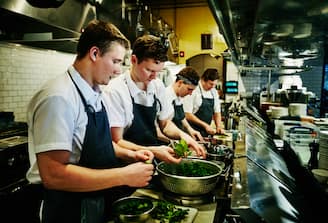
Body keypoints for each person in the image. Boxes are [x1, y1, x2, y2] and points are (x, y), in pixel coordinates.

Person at [26, 20, 154, 223]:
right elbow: (54, 175)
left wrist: (129, 154)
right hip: (68, 209)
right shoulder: (58, 97)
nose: (119, 70)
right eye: (116, 61)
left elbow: (95, 145)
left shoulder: (94, 92)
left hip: (94, 200)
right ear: (94, 54)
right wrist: (124, 175)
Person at [104, 35, 206, 163]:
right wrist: (153, 150)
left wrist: (183, 136)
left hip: (151, 159)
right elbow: (116, 141)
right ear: (134, 60)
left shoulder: (157, 85)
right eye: (149, 70)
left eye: (158, 71)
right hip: (126, 164)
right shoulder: (116, 91)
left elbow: (165, 123)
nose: (154, 76)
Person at [165, 66, 203, 141]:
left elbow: (182, 118)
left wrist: (190, 130)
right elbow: (163, 127)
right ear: (180, 83)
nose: (190, 94)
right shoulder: (166, 97)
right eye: (189, 89)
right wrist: (173, 141)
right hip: (166, 142)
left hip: (178, 139)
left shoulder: (179, 97)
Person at [184, 68, 225, 136]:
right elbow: (187, 114)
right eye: (211, 84)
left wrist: (219, 126)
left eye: (215, 85)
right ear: (203, 80)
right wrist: (205, 125)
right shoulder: (193, 89)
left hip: (206, 131)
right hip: (191, 130)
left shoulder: (213, 92)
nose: (213, 87)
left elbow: (217, 112)